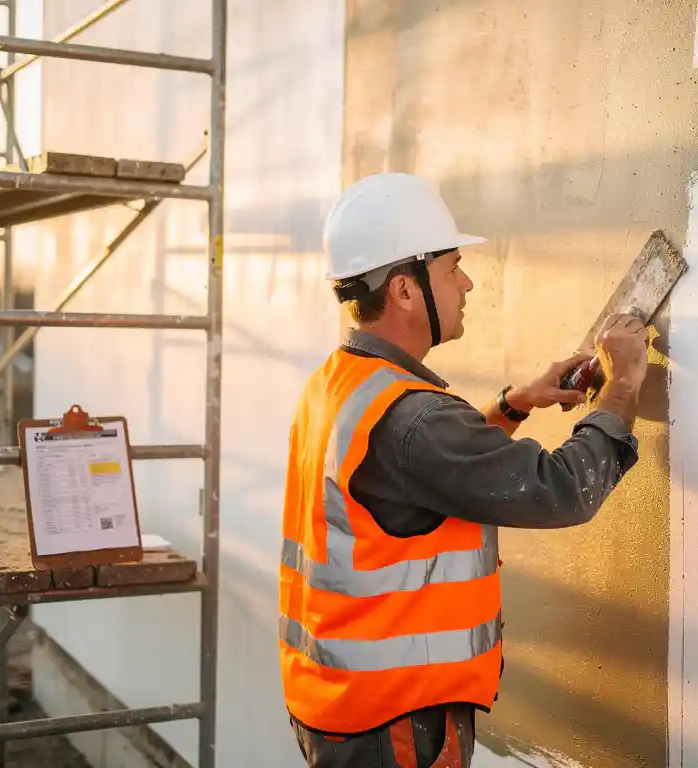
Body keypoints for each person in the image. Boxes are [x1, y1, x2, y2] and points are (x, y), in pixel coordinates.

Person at [279, 172, 650, 768]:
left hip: (340, 706)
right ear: (404, 289)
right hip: (394, 725)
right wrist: (624, 384)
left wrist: (513, 406)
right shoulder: (414, 419)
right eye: (453, 268)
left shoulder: (342, 383)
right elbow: (564, 491)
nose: (467, 283)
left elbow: (411, 473)